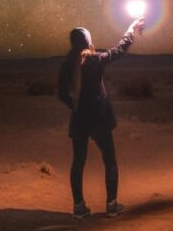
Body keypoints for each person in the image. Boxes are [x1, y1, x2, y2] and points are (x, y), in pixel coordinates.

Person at [57, 17, 145, 218]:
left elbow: (62, 94)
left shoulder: (66, 65)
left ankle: (79, 207)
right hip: (99, 120)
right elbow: (118, 50)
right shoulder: (94, 60)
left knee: (78, 162)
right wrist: (130, 29)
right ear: (88, 41)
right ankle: (112, 205)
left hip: (79, 121)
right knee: (109, 160)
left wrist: (75, 106)